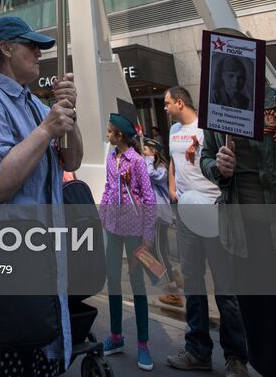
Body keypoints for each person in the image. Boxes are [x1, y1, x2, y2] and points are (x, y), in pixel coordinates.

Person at [0, 15, 82, 377]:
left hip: (39, 265)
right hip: (1, 271)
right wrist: (46, 131)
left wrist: (70, 114)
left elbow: (72, 159)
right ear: (6, 49)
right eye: (31, 46)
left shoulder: (37, 106)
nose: (39, 54)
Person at [201, 84, 276, 377]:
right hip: (244, 239)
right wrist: (219, 167)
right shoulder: (216, 111)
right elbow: (206, 158)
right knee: (261, 325)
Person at [164, 87, 248, 376]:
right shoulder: (174, 130)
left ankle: (236, 357)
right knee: (193, 283)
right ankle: (197, 351)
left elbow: (221, 163)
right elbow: (174, 161)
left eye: (166, 103)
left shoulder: (206, 129)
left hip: (214, 210)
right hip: (186, 214)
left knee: (225, 288)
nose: (164, 108)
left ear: (180, 102)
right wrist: (173, 188)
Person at [99, 113, 156, 371]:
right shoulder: (111, 159)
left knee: (137, 285)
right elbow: (108, 188)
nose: (108, 135)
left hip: (134, 230)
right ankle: (115, 336)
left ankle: (143, 344)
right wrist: (101, 215)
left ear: (119, 135)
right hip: (112, 227)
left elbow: (149, 198)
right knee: (112, 279)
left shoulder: (138, 162)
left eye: (110, 132)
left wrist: (148, 234)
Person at [142, 137, 183, 307]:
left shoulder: (161, 169)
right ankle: (171, 274)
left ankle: (173, 292)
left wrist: (149, 160)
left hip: (160, 214)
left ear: (153, 151)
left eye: (146, 149)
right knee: (146, 251)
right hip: (150, 214)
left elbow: (150, 175)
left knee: (158, 250)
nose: (143, 151)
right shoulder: (149, 164)